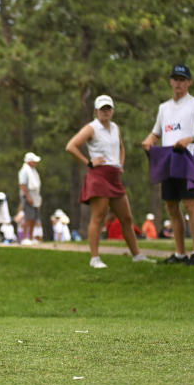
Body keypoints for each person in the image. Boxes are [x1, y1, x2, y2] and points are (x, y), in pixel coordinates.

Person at [65, 94, 153, 268]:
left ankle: (137, 255)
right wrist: (89, 163)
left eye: (108, 108)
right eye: (102, 109)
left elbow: (121, 146)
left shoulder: (115, 127)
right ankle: (95, 258)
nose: (105, 112)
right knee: (98, 217)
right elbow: (71, 146)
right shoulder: (92, 128)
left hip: (114, 176)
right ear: (96, 111)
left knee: (126, 218)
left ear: (112, 110)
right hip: (98, 176)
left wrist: (120, 163)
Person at [142, 64, 194, 265]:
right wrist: (149, 141)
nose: (179, 83)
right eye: (175, 79)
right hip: (167, 159)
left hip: (187, 158)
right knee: (172, 206)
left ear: (189, 82)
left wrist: (189, 139)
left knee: (190, 203)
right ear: (171, 82)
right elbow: (156, 132)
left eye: (183, 80)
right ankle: (180, 253)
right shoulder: (164, 108)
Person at [18, 152, 42, 245]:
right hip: (28, 197)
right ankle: (24, 238)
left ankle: (31, 237)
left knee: (34, 218)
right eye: (34, 161)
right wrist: (28, 196)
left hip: (35, 197)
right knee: (28, 217)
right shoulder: (24, 171)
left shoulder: (33, 171)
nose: (35, 163)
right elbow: (22, 185)